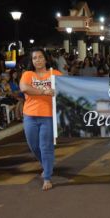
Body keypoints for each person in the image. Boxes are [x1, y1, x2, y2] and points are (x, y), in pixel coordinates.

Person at [19, 48, 62, 191]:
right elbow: (24, 88)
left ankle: (47, 177)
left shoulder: (55, 74)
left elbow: (68, 87)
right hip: (30, 116)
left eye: (40, 57)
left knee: (46, 147)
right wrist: (44, 91)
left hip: (48, 116)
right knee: (34, 146)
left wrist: (58, 91)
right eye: (34, 58)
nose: (37, 60)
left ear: (46, 59)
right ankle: (47, 163)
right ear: (32, 61)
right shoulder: (28, 74)